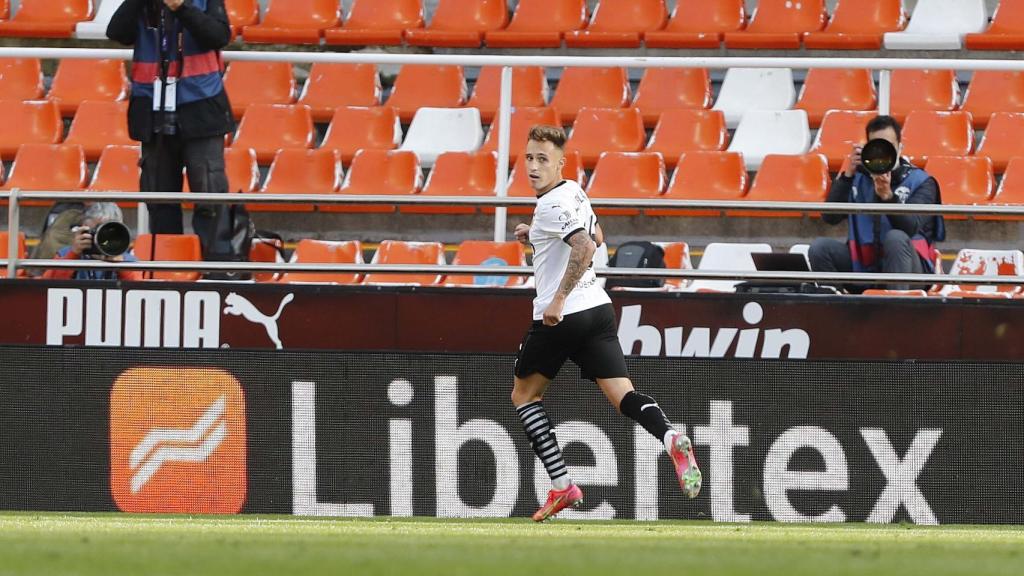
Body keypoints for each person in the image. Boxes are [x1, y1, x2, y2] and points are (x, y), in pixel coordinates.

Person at [511, 126, 701, 522]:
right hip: (599, 308)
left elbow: (585, 245)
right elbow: (597, 233)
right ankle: (670, 437)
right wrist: (538, 237)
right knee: (624, 397)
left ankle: (562, 487)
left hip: (564, 313)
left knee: (524, 396)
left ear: (559, 163)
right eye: (529, 157)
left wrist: (559, 299)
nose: (533, 166)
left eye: (542, 159)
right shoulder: (573, 191)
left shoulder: (550, 205)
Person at [106, 0, 234, 235]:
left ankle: (214, 265)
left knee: (210, 198)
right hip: (153, 110)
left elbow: (218, 36)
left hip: (201, 107)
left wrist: (181, 8)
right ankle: (165, 264)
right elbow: (117, 32)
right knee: (160, 200)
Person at [809, 115, 945, 291]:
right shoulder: (858, 178)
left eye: (887, 146)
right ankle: (838, 311)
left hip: (910, 268)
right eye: (877, 147)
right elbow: (830, 217)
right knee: (820, 248)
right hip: (864, 265)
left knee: (895, 238)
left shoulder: (921, 181)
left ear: (899, 147)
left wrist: (888, 197)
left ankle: (894, 310)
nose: (882, 153)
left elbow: (911, 227)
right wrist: (847, 175)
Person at [43, 203, 144, 281]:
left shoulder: (128, 261)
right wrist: (73, 255)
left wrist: (120, 265)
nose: (102, 238)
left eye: (108, 232)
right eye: (96, 231)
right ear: (84, 228)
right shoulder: (66, 255)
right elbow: (46, 288)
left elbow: (138, 291)